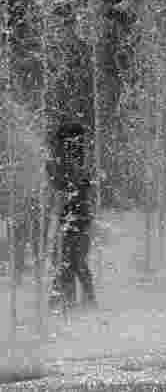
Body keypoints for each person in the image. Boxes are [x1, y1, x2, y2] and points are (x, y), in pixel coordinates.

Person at [49, 122, 96, 310]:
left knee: (70, 261)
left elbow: (71, 185)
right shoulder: (66, 161)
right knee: (72, 261)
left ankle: (70, 301)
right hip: (76, 217)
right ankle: (74, 301)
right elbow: (63, 185)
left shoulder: (73, 162)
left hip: (76, 217)